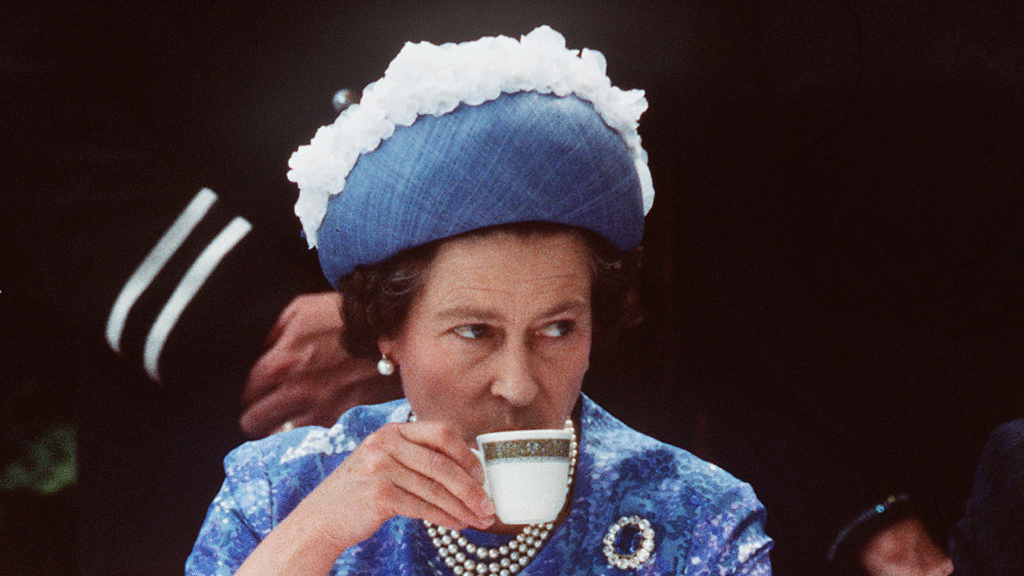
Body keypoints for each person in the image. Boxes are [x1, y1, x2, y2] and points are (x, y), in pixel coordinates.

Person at [186, 26, 772, 575]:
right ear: (388, 330)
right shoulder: (276, 494)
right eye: (475, 332)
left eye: (558, 328)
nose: (518, 386)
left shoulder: (695, 517)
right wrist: (316, 534)